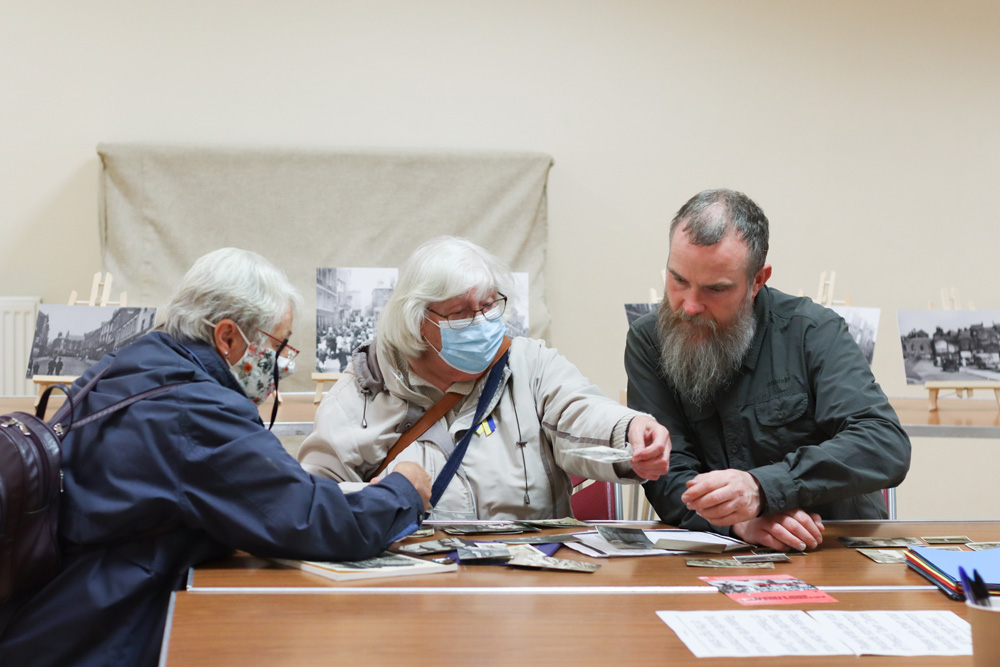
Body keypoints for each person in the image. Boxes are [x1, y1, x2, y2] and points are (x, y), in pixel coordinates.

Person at [0, 248, 431, 667]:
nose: (280, 363)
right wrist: (403, 491)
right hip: (101, 636)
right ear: (226, 336)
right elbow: (307, 517)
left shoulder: (127, 365)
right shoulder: (193, 410)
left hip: (49, 616)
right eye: (278, 345)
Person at [299, 236, 671, 520]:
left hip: (526, 584)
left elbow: (580, 411)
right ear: (418, 320)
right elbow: (314, 503)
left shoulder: (530, 364)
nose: (481, 321)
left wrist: (630, 431)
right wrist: (378, 498)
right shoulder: (361, 393)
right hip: (415, 585)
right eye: (460, 311)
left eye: (489, 305)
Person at [624, 189, 910, 551]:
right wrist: (738, 521)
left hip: (833, 546)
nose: (690, 306)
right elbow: (667, 475)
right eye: (678, 280)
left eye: (716, 289)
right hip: (720, 549)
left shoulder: (811, 330)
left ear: (757, 280)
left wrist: (762, 489)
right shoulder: (649, 340)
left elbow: (883, 443)